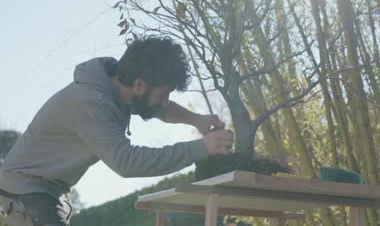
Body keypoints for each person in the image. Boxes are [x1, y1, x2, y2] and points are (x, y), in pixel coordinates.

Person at [0, 37, 234, 226]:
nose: (165, 101)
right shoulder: (91, 103)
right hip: (26, 189)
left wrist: (196, 119)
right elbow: (127, 162)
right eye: (164, 94)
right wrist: (203, 147)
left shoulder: (117, 85)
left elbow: (156, 108)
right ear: (139, 85)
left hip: (50, 190)